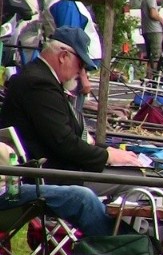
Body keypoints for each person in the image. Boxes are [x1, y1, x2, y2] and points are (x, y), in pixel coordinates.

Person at [0, 27, 142, 193]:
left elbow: (66, 136)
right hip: (48, 178)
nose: (81, 72)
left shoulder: (41, 77)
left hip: (53, 171)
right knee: (137, 181)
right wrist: (108, 157)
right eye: (80, 64)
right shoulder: (39, 84)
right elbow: (64, 142)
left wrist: (105, 150)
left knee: (134, 174)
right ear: (63, 56)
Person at [44, 0, 101, 97]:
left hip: (72, 68)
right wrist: (83, 77)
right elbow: (70, 42)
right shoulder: (68, 3)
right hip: (72, 73)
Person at [140, 0, 163, 80]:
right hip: (154, 31)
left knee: (150, 55)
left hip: (147, 30)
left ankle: (149, 75)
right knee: (156, 54)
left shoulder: (145, 0)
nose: (160, 0)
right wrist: (162, 20)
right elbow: (153, 14)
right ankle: (153, 77)